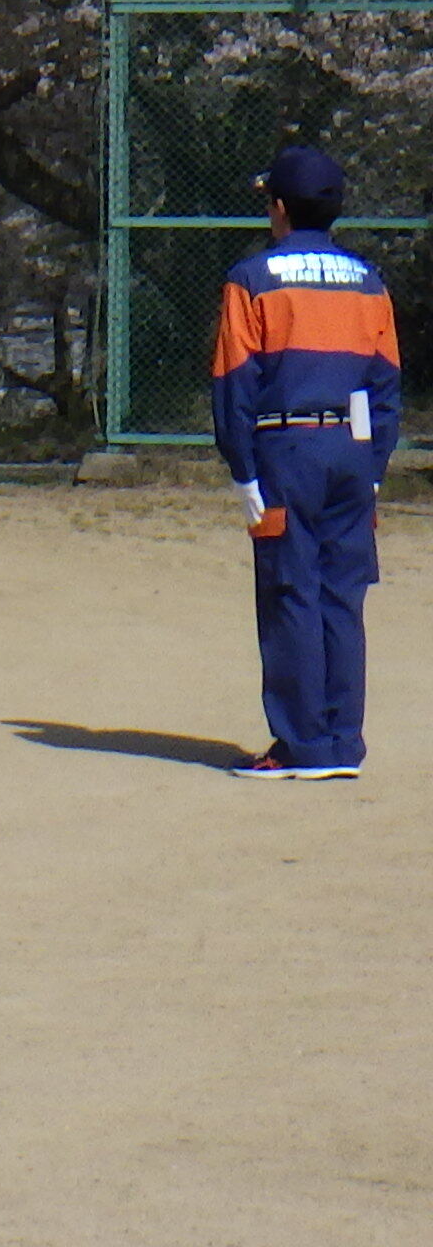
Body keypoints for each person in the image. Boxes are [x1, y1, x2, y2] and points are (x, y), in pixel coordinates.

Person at [215, 144, 398, 777]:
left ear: (282, 208)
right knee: (342, 596)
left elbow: (236, 381)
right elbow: (385, 382)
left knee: (290, 591)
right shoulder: (369, 282)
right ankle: (343, 742)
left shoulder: (252, 278)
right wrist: (373, 465)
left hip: (285, 451)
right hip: (351, 452)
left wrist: (242, 470)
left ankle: (301, 745)